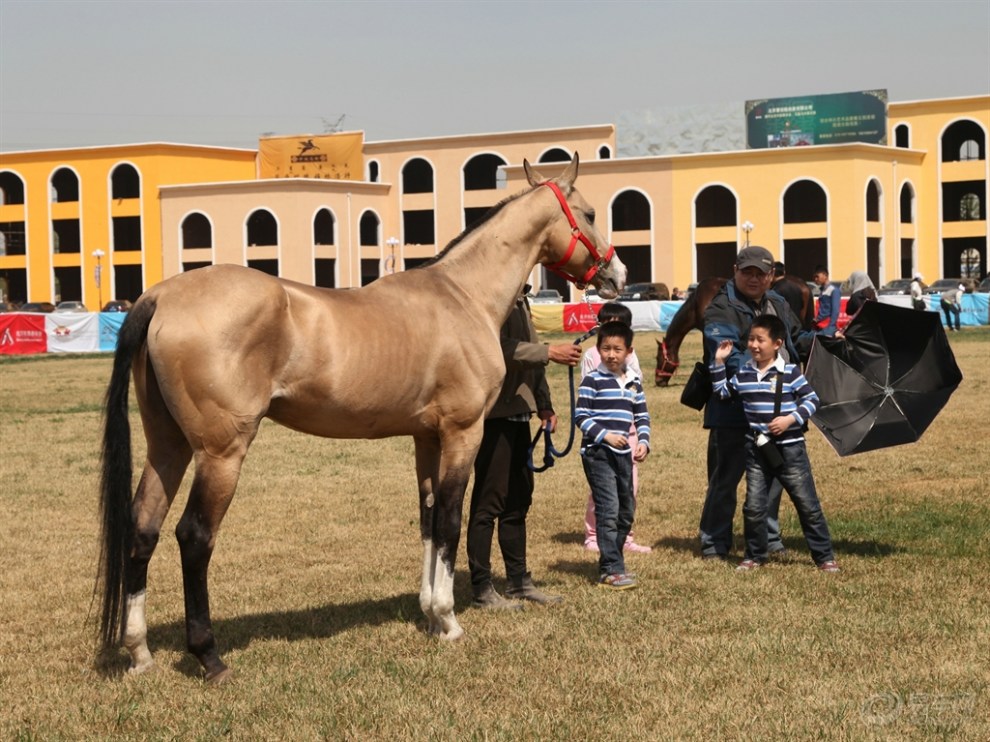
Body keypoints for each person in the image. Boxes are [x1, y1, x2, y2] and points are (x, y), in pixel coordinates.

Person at [467, 285, 582, 610]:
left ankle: (518, 582)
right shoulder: (490, 296)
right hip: (494, 414)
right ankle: (482, 588)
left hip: (520, 411)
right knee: (489, 502)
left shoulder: (521, 298)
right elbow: (494, 348)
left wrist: (544, 404)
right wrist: (547, 352)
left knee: (518, 500)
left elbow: (529, 353)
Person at [699, 245, 808, 561]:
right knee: (725, 479)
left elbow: (796, 338)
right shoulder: (721, 307)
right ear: (735, 270)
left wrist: (826, 340)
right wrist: (769, 363)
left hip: (775, 410)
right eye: (747, 271)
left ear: (772, 275)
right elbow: (728, 354)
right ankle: (714, 543)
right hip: (732, 409)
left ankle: (767, 540)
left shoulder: (778, 303)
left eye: (761, 273)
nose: (754, 278)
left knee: (773, 478)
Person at [710, 315, 839, 573]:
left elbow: (812, 400)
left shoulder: (790, 372)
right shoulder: (744, 373)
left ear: (778, 343)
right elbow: (723, 393)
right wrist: (718, 362)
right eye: (751, 339)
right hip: (756, 449)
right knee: (754, 506)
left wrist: (790, 419)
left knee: (807, 504)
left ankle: (824, 556)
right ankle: (755, 555)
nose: (754, 345)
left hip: (790, 449)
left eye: (761, 340)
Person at [575, 321, 651, 589]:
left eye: (617, 349)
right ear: (598, 350)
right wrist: (604, 435)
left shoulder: (633, 381)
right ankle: (611, 569)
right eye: (605, 348)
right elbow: (581, 416)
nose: (611, 354)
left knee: (626, 510)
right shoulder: (592, 380)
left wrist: (643, 441)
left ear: (628, 351)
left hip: (624, 453)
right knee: (608, 509)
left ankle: (613, 558)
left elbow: (641, 416)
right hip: (598, 453)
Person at [812, 265, 840, 336]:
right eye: (814, 277)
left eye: (817, 276)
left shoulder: (834, 290)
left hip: (827, 328)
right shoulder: (822, 291)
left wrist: (831, 327)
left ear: (825, 275)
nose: (815, 279)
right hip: (819, 326)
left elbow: (835, 311)